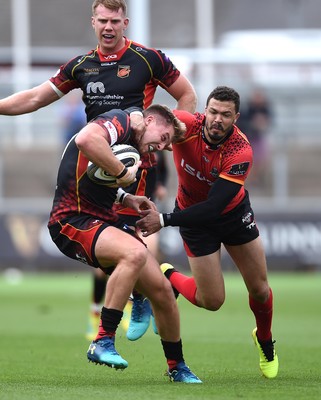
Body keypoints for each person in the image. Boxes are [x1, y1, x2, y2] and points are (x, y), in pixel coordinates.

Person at [0, 0, 197, 340]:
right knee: (114, 246)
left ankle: (138, 302)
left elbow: (187, 97)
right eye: (102, 20)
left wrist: (166, 143)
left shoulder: (149, 59)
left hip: (135, 167)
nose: (108, 27)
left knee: (135, 241)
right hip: (97, 162)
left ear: (126, 23)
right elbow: (34, 98)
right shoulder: (82, 66)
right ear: (93, 22)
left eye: (115, 21)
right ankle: (139, 296)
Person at [47, 104, 202, 383]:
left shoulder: (131, 144)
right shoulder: (121, 121)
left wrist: (126, 198)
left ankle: (176, 366)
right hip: (71, 220)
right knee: (134, 253)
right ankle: (103, 340)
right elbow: (85, 139)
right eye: (164, 137)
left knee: (164, 293)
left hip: (101, 219)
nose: (162, 146)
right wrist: (121, 172)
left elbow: (92, 176)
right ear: (151, 119)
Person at [136, 86, 279, 379]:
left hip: (232, 216)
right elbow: (147, 123)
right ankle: (168, 277)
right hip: (193, 218)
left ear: (236, 117)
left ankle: (264, 341)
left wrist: (163, 220)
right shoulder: (185, 125)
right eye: (213, 112)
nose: (217, 119)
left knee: (260, 291)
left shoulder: (241, 151)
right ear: (205, 111)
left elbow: (214, 207)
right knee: (211, 301)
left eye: (226, 115)